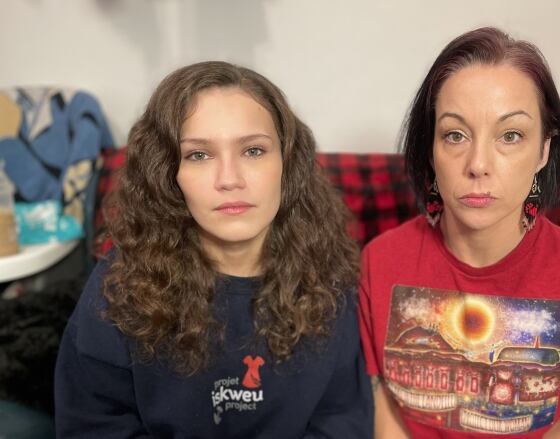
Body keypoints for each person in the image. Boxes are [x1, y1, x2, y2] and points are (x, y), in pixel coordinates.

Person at [359, 27, 560, 438]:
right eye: (455, 135)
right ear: (430, 150)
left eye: (510, 136)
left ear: (543, 151)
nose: (478, 163)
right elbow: (383, 410)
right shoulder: (380, 261)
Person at [55, 61, 372, 438]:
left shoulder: (331, 281)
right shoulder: (118, 287)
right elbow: (93, 426)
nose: (229, 180)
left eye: (253, 150)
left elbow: (342, 421)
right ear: (168, 175)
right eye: (199, 155)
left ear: (288, 165)